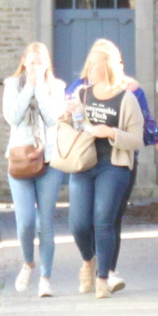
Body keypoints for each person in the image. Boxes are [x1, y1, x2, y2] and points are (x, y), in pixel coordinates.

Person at [58, 38, 144, 297]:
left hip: (113, 165)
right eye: (89, 65)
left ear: (108, 67)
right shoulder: (82, 94)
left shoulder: (127, 99)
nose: (89, 70)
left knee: (103, 219)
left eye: (94, 65)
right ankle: (88, 261)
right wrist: (68, 113)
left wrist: (111, 132)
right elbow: (70, 125)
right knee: (79, 224)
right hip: (84, 162)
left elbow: (136, 140)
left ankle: (103, 279)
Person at [95, 53, 158, 294]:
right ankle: (90, 262)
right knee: (86, 222)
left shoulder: (134, 92)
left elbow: (148, 124)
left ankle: (107, 272)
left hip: (124, 161)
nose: (117, 67)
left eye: (119, 62)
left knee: (112, 218)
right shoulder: (84, 90)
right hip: (89, 161)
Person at [2, 42, 66, 298]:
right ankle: (28, 262)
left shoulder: (57, 87)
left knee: (45, 222)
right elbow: (12, 117)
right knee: (26, 221)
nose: (35, 67)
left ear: (47, 64)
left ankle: (45, 278)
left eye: (40, 63)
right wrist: (29, 87)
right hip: (20, 160)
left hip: (49, 159)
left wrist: (39, 88)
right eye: (31, 63)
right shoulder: (12, 85)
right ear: (24, 63)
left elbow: (52, 118)